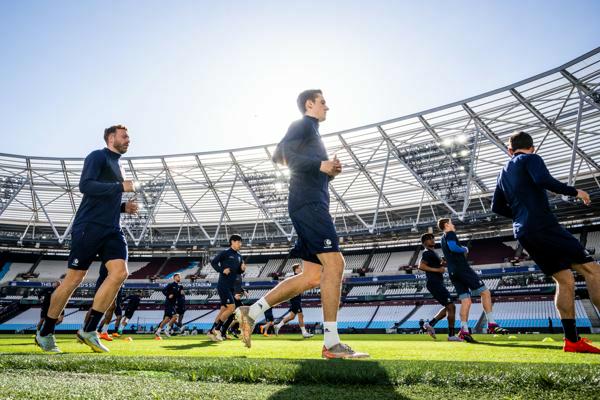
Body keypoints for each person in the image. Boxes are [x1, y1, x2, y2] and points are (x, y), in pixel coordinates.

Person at [236, 89, 368, 359]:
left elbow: (307, 168)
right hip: (309, 205)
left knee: (311, 277)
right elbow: (279, 156)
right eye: (323, 102)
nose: (327, 107)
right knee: (336, 265)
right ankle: (331, 344)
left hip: (310, 202)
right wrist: (320, 165)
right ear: (310, 104)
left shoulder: (313, 132)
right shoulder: (303, 124)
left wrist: (328, 172)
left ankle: (252, 312)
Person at [491, 130, 600, 353]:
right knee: (592, 270)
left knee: (565, 279)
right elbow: (542, 179)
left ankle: (572, 341)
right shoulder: (531, 158)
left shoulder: (503, 172)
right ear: (533, 147)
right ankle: (572, 341)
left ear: (509, 151)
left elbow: (496, 207)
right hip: (543, 225)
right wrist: (575, 191)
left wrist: (521, 215)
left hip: (524, 232)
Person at [36, 125, 137, 353]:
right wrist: (120, 186)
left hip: (112, 228)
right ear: (111, 138)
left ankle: (89, 330)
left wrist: (122, 207)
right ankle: (45, 332)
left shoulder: (118, 164)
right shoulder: (97, 156)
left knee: (120, 273)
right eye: (124, 136)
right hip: (89, 227)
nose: (129, 140)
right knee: (74, 279)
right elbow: (86, 186)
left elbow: (105, 198)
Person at [439, 218, 508, 343]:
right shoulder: (450, 234)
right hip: (462, 269)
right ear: (446, 225)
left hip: (453, 272)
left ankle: (464, 330)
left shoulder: (442, 238)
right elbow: (453, 247)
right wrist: (464, 249)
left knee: (466, 301)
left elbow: (449, 250)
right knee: (485, 292)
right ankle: (491, 324)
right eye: (451, 223)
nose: (453, 225)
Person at [418, 233, 462, 341]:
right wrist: (438, 270)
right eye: (429, 239)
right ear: (424, 243)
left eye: (433, 238)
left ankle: (430, 324)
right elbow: (421, 266)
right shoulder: (427, 252)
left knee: (449, 307)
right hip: (434, 283)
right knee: (452, 307)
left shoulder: (433, 253)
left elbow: (436, 265)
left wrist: (441, 262)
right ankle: (451, 335)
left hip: (436, 283)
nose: (432, 240)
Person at [207, 234, 245, 341]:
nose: (240, 244)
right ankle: (218, 329)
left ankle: (211, 331)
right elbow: (213, 262)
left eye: (241, 242)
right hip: (223, 285)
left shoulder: (239, 256)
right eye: (238, 242)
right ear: (232, 242)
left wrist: (242, 269)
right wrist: (221, 270)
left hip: (231, 287)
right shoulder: (225, 253)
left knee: (223, 310)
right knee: (231, 308)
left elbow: (237, 271)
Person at [274, 264, 314, 338]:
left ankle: (278, 326)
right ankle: (304, 333)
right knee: (301, 316)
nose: (301, 269)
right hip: (295, 299)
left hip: (296, 298)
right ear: (296, 269)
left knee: (292, 317)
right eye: (300, 268)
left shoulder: (297, 277)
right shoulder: (294, 277)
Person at [155, 274, 183, 339]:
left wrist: (181, 294)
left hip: (173, 304)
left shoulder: (179, 286)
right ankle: (167, 330)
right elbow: (163, 290)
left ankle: (158, 332)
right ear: (174, 277)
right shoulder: (171, 285)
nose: (179, 277)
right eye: (178, 276)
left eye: (180, 277)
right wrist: (168, 295)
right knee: (176, 316)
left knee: (166, 319)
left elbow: (178, 296)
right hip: (169, 303)